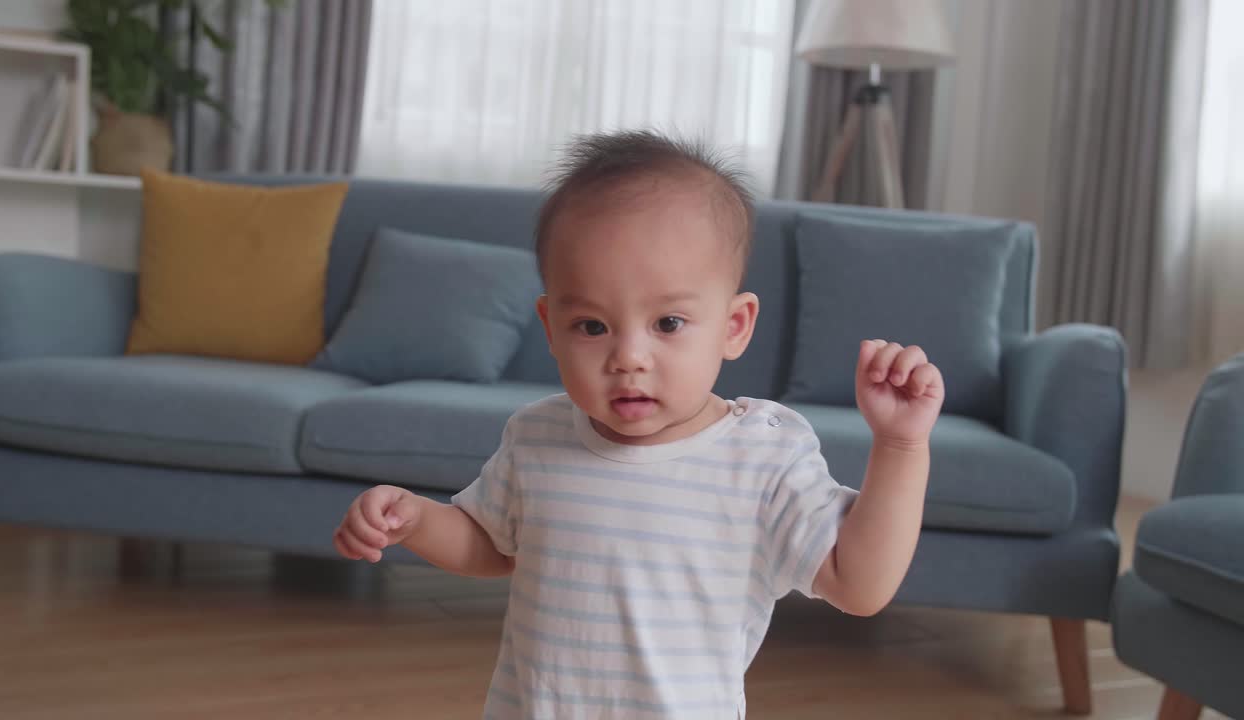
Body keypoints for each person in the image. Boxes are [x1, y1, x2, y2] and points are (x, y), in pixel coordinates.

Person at [333, 130, 945, 719]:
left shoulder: (762, 458)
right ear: (551, 329)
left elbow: (860, 586)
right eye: (592, 326)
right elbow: (491, 545)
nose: (628, 357)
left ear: (734, 327)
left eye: (668, 324)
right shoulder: (536, 437)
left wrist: (900, 444)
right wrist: (416, 519)